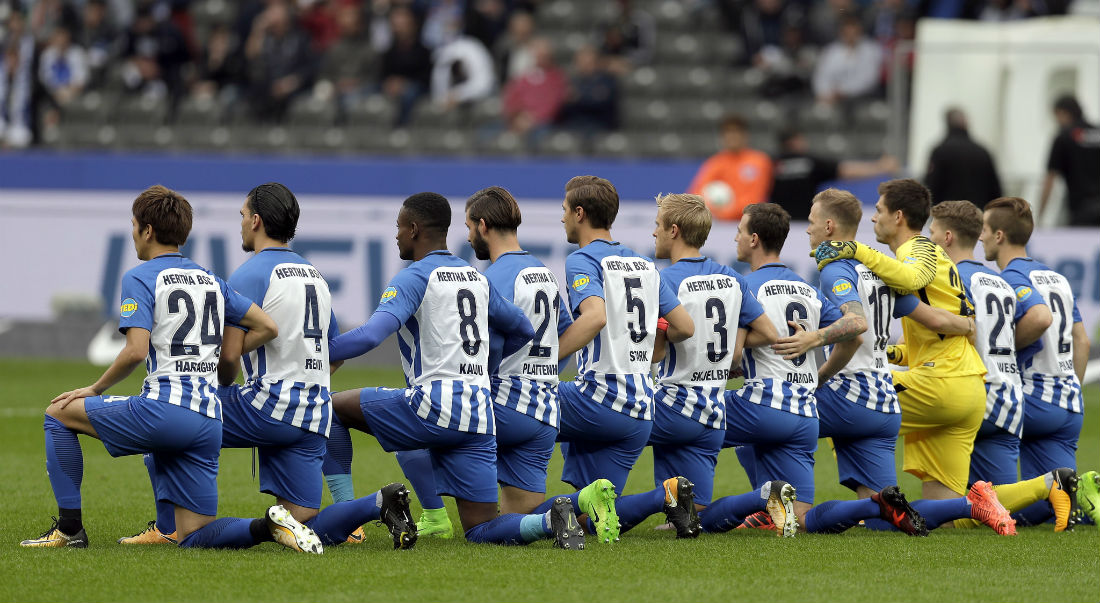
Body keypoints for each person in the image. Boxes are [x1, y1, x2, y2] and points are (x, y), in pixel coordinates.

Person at [21, 185, 324, 554]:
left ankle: (70, 530)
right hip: (209, 417)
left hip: (165, 410)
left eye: (134, 225)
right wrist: (214, 366)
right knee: (194, 535)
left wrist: (95, 388)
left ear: (147, 231)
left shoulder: (141, 276)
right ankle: (269, 525)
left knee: (57, 414)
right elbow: (268, 327)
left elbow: (134, 352)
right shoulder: (211, 279)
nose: (134, 233)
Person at [118, 183, 415, 548]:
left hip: (267, 406)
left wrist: (223, 386)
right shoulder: (315, 276)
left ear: (256, 221)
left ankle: (167, 529)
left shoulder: (250, 273)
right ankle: (378, 502)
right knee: (303, 525)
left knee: (171, 414)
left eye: (242, 216)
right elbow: (332, 350)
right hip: (313, 413)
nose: (241, 224)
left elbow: (229, 355)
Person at [321, 192, 586, 549]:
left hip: (433, 405)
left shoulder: (414, 277)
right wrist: (484, 371)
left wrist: (318, 352)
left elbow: (370, 334)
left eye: (399, 228)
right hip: (478, 416)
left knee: (332, 407)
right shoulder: (476, 278)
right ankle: (548, 520)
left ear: (414, 229)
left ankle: (350, 521)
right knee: (480, 529)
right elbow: (523, 328)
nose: (396, 236)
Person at [808, 190, 1016, 535]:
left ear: (899, 216)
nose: (873, 218)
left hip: (941, 381)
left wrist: (856, 249)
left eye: (879, 210)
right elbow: (936, 321)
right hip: (967, 384)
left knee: (845, 408)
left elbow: (913, 282)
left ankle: (854, 502)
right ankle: (1031, 490)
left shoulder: (915, 249)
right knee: (944, 514)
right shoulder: (911, 261)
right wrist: (963, 325)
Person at [726, 203, 926, 536]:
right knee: (879, 517)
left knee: (759, 421)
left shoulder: (834, 268)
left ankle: (766, 505)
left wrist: (815, 346)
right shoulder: (879, 269)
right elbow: (926, 317)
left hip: (847, 395)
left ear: (830, 226)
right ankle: (952, 504)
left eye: (814, 221)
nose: (808, 229)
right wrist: (964, 323)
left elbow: (855, 324)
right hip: (884, 401)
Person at [398, 186, 576, 539]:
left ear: (482, 226)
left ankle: (434, 517)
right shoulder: (544, 272)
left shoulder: (491, 278)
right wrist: (543, 370)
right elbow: (567, 331)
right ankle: (583, 504)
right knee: (514, 524)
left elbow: (486, 345)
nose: (466, 236)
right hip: (544, 412)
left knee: (409, 424)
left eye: (467, 227)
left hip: (502, 406)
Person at [527, 175, 696, 544]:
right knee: (598, 514)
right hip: (639, 410)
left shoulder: (582, 260)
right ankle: (663, 495)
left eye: (565, 211)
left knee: (511, 409)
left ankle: (480, 506)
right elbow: (684, 326)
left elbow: (594, 317)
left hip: (596, 400)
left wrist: (543, 361)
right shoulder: (644, 266)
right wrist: (654, 343)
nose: (562, 219)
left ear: (580, 213)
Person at [642, 193, 801, 538]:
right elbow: (770, 333)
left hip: (671, 404)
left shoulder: (664, 280)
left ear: (674, 231)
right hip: (713, 412)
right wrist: (731, 345)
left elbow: (655, 352)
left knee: (602, 425)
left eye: (657, 226)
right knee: (694, 516)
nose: (653, 233)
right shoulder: (731, 277)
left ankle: (586, 509)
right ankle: (762, 496)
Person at [981, 196, 1090, 529]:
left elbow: (1039, 320)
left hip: (1031, 399)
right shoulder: (1057, 278)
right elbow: (1082, 341)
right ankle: (1088, 499)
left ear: (999, 235)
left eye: (985, 229)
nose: (981, 237)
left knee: (962, 420)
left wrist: (1004, 346)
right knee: (1054, 501)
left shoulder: (1012, 277)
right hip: (1068, 403)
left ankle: (950, 508)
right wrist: (1072, 390)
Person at [770, 128, 898, 220]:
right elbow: (846, 171)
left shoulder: (770, 164)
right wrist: (880, 167)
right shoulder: (810, 162)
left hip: (779, 223)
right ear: (796, 141)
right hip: (806, 222)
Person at [688, 114, 773, 221]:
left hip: (750, 224)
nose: (732, 136)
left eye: (736, 132)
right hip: (720, 225)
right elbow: (696, 193)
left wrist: (725, 213)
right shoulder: (714, 163)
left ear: (745, 135)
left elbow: (755, 198)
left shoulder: (759, 161)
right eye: (727, 132)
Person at [1038, 95, 1100, 226]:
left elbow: (1050, 178)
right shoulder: (1097, 132)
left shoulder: (1064, 136)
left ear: (1062, 112)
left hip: (1081, 211)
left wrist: (1040, 216)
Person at [924, 107, 1002, 206]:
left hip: (948, 215)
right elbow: (995, 188)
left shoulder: (940, 151)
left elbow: (932, 185)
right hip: (978, 213)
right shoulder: (982, 151)